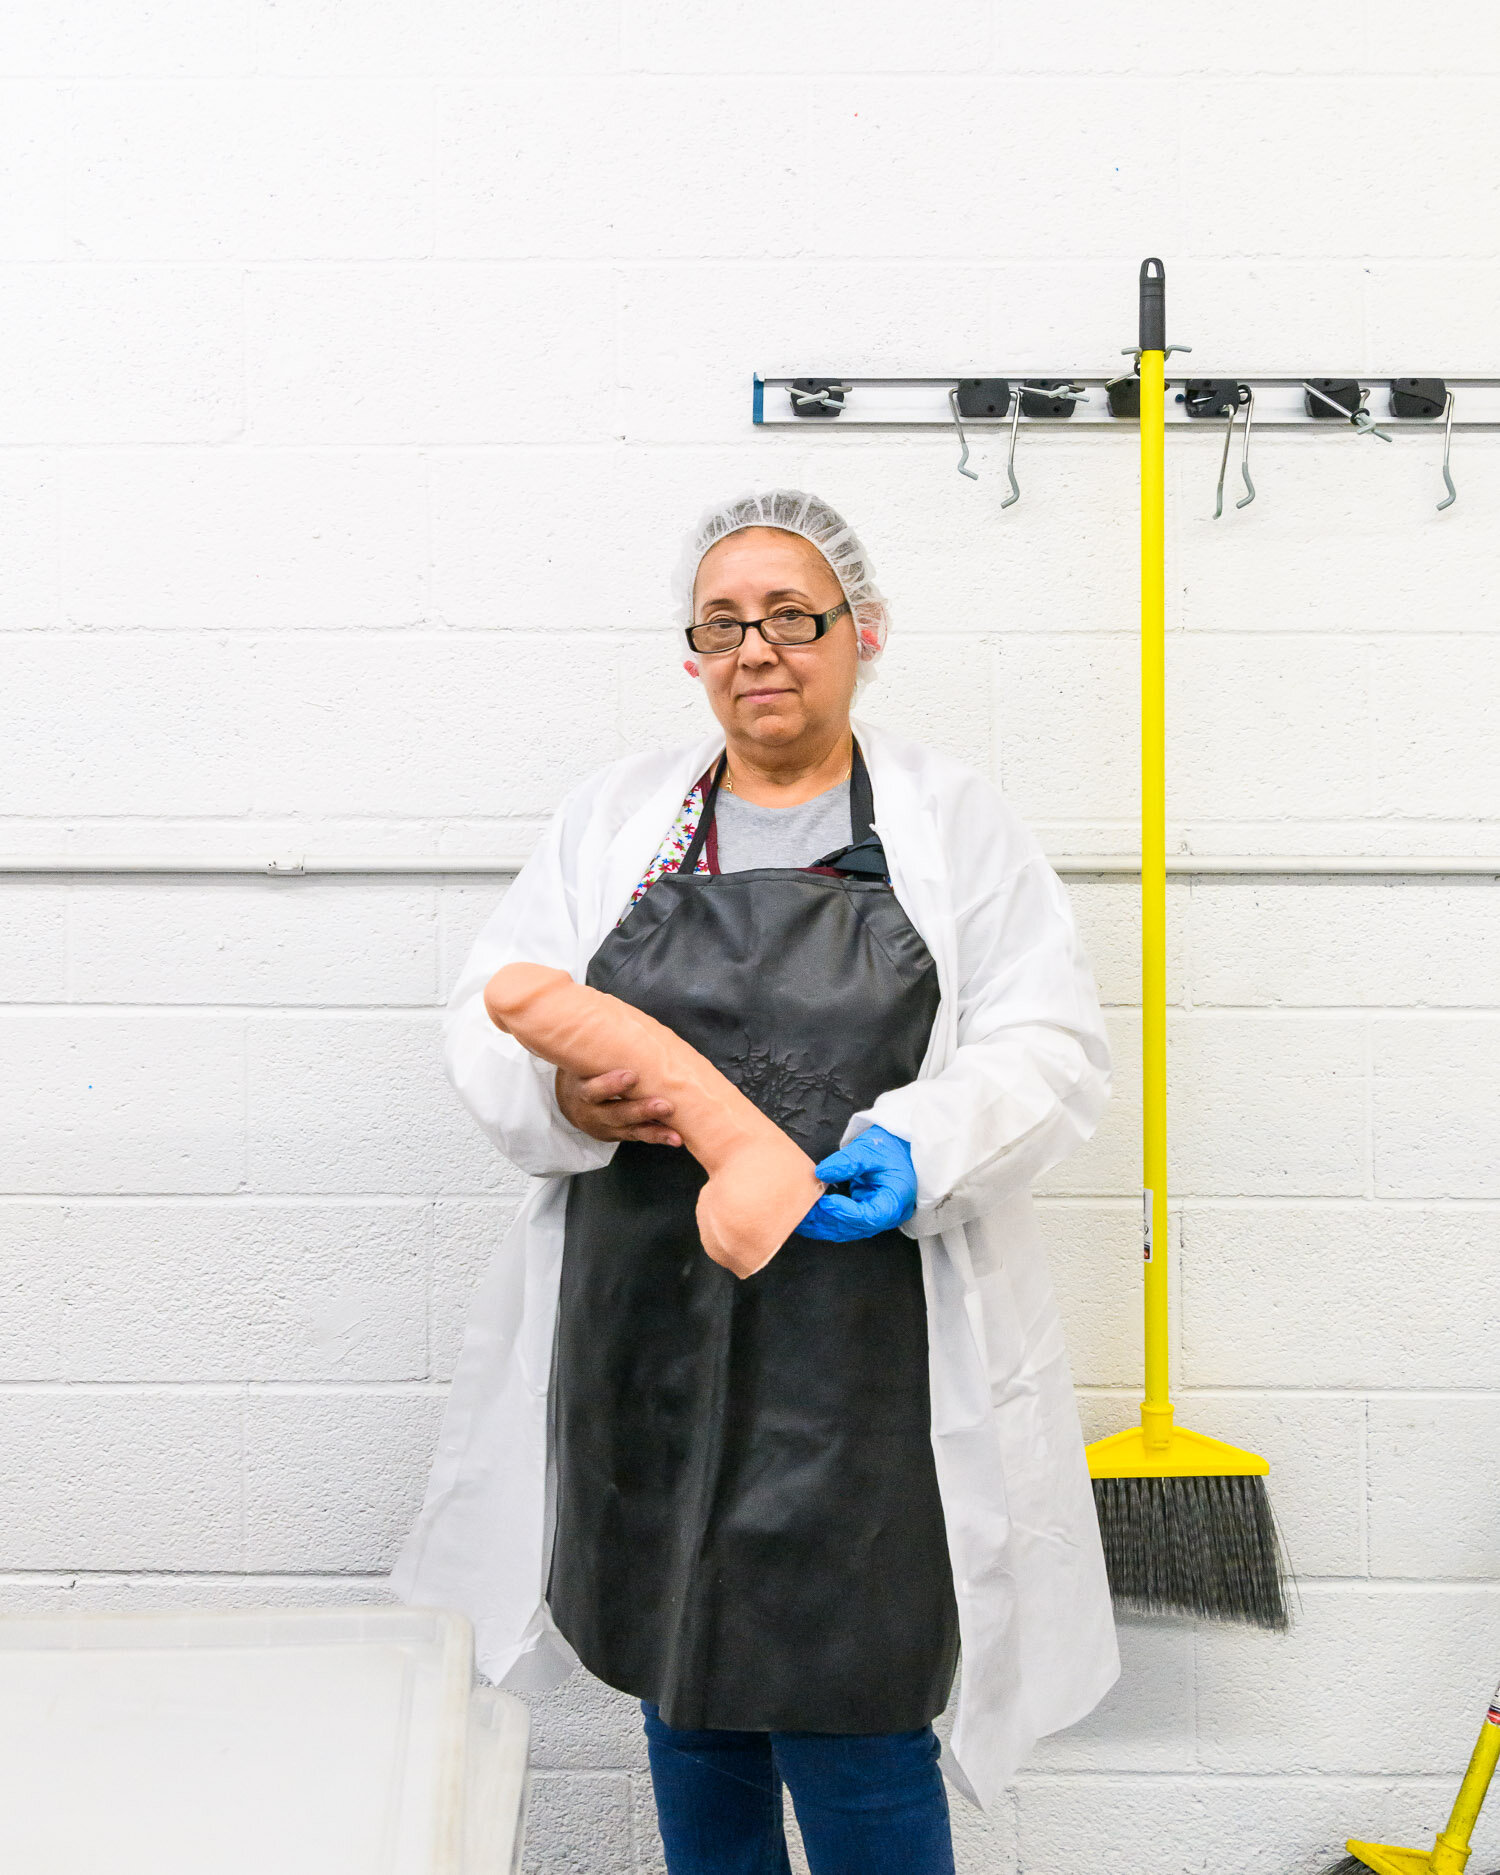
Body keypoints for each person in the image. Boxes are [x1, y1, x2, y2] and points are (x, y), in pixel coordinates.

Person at [393, 489, 1119, 1874]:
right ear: (693, 652)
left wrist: (926, 1144)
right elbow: (497, 999)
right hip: (647, 1334)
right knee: (691, 1683)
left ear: (862, 634)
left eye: (794, 617)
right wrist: (563, 1088)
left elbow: (1050, 1040)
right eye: (723, 624)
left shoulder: (950, 825)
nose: (758, 650)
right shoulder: (616, 822)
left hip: (867, 1351)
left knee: (858, 1706)